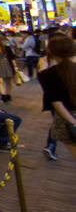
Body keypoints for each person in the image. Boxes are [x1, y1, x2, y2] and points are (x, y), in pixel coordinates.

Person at [39, 35, 76, 163]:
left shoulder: (47, 75)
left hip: (67, 119)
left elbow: (56, 103)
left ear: (51, 52)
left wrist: (73, 122)